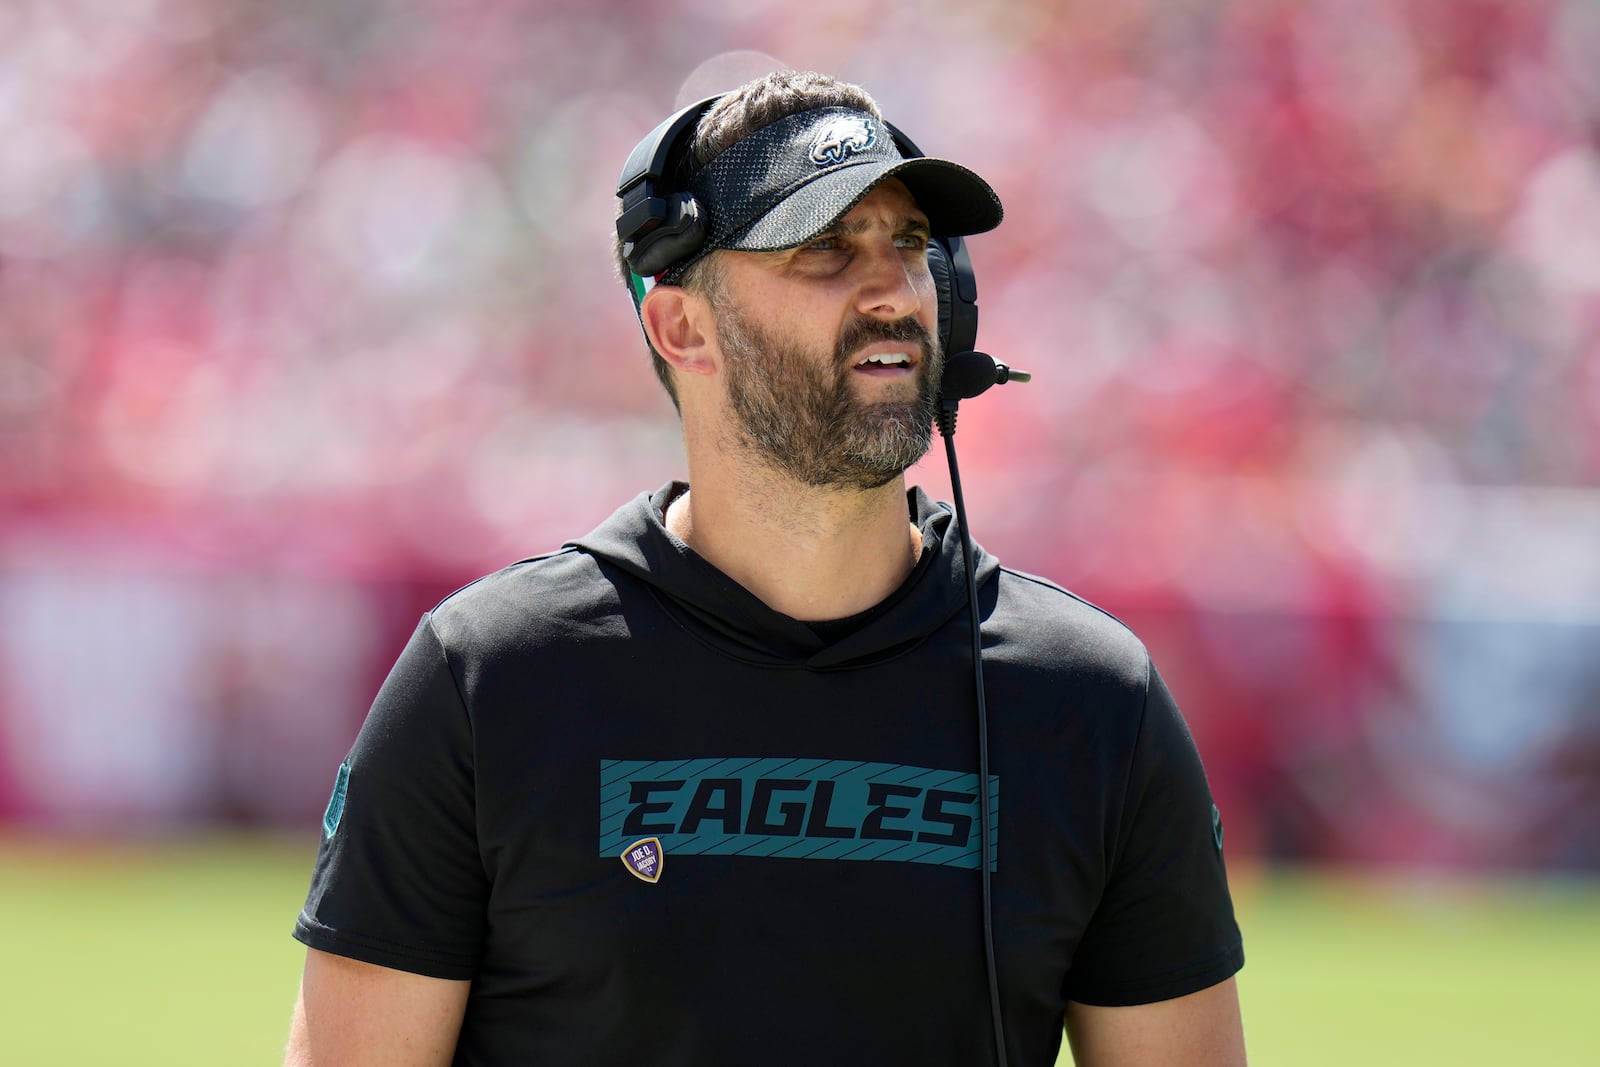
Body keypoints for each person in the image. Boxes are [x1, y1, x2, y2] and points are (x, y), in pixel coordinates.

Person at [284, 70, 1246, 1067]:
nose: (889, 291)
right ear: (681, 327)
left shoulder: (1094, 700)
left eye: (908, 244)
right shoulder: (485, 677)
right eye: (824, 247)